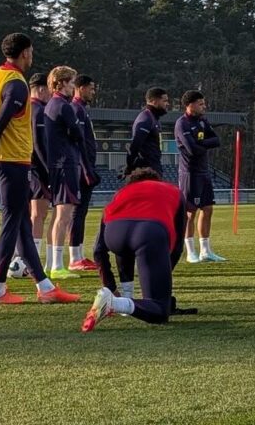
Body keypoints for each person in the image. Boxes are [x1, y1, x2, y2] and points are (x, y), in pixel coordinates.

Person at [0, 33, 79, 305]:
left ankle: (44, 286)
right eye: (31, 52)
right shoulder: (16, 83)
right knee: (11, 224)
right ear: (25, 53)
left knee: (22, 223)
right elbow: (2, 117)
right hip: (11, 160)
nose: (32, 57)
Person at [82, 168, 190, 331]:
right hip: (150, 232)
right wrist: (162, 273)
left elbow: (98, 250)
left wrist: (110, 286)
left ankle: (124, 295)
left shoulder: (121, 193)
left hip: (115, 232)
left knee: (125, 243)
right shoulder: (173, 190)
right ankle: (115, 303)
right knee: (160, 310)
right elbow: (178, 246)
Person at [44, 66, 91, 280]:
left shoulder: (53, 105)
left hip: (60, 163)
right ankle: (56, 265)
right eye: (71, 83)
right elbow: (77, 133)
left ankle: (52, 263)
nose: (73, 87)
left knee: (58, 216)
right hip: (66, 164)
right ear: (61, 83)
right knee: (64, 216)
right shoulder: (62, 106)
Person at [174, 90, 226, 263]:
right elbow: (191, 149)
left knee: (208, 209)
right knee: (190, 212)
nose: (204, 107)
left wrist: (201, 143)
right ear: (190, 105)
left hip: (204, 171)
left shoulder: (202, 121)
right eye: (201, 104)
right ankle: (190, 252)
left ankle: (206, 251)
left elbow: (216, 140)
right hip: (190, 173)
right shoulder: (182, 124)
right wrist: (202, 145)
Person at [70, 74, 100, 271]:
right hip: (80, 170)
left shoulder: (82, 110)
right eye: (91, 88)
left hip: (85, 167)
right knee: (76, 213)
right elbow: (78, 143)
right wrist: (86, 169)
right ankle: (74, 257)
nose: (93, 92)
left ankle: (79, 253)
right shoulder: (76, 109)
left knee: (81, 212)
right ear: (80, 88)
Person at [27, 73, 52, 272]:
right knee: (38, 214)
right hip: (36, 168)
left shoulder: (23, 108)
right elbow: (40, 145)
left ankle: (24, 257)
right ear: (42, 89)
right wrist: (48, 169)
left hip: (23, 167)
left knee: (29, 214)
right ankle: (32, 260)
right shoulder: (38, 110)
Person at [126, 87, 168, 176]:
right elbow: (134, 146)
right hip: (146, 169)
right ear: (154, 101)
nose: (167, 104)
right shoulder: (146, 119)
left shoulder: (154, 118)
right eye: (164, 101)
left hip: (154, 166)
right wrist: (129, 167)